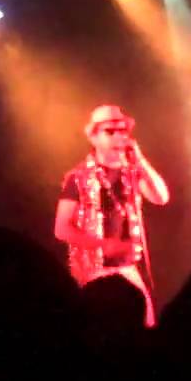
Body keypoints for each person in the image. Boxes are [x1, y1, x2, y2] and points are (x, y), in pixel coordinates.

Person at [54, 105, 169, 326]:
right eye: (110, 131)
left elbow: (161, 197)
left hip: (127, 269)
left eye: (123, 130)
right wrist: (103, 245)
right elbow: (61, 228)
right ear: (93, 137)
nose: (119, 136)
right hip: (92, 274)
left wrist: (140, 160)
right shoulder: (78, 178)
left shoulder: (132, 172)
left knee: (144, 327)